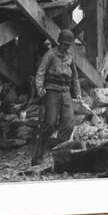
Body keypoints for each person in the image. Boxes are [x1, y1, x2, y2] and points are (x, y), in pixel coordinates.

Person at [32, 29, 82, 165]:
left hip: (65, 91)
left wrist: (78, 93)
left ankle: (60, 154)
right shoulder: (50, 55)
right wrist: (40, 88)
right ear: (59, 42)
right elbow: (40, 73)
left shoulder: (70, 57)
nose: (66, 47)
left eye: (68, 45)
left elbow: (75, 77)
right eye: (65, 44)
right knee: (50, 123)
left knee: (69, 122)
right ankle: (38, 154)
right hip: (52, 91)